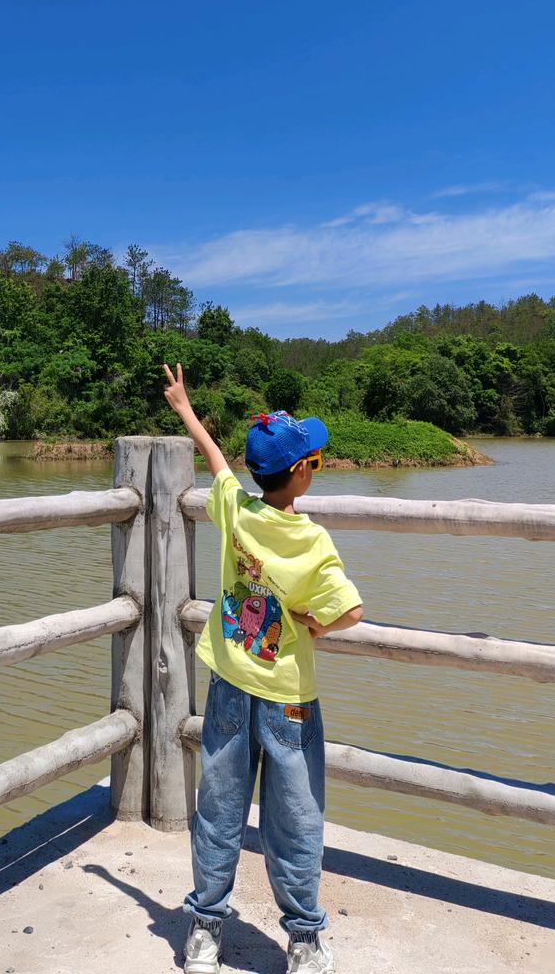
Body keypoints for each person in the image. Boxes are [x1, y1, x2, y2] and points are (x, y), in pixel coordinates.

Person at [162, 362, 364, 974]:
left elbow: (216, 462)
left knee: (218, 806)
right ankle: (303, 939)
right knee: (296, 815)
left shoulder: (237, 514)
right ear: (300, 475)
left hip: (227, 685)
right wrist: (315, 624)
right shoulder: (314, 541)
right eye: (316, 462)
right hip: (289, 699)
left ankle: (205, 927)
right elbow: (351, 610)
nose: (315, 468)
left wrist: (184, 407)